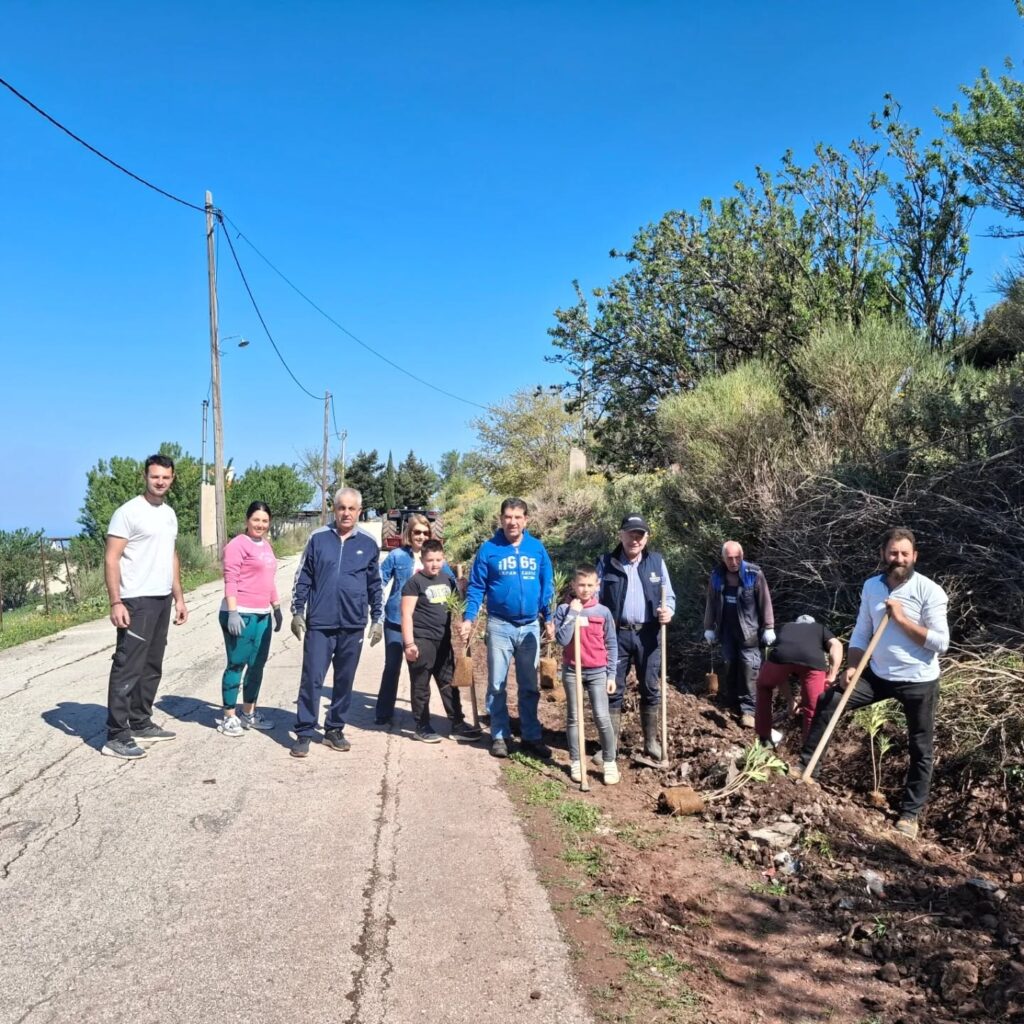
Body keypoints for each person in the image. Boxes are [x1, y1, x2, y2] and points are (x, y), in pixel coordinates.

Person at [796, 528, 949, 840]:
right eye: (894, 552)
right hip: (877, 674)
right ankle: (806, 769)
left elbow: (941, 643)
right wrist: (852, 666)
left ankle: (910, 814)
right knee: (831, 701)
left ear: (915, 556)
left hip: (918, 680)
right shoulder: (872, 587)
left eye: (905, 553)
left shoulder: (930, 592)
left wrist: (903, 620)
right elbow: (862, 632)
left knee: (921, 746)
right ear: (883, 554)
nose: (899, 559)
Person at [102, 454, 188, 759]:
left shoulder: (169, 514)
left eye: (165, 477)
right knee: (128, 666)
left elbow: (171, 556)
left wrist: (178, 596)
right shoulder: (128, 512)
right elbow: (111, 558)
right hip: (135, 600)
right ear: (145, 477)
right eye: (155, 477)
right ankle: (116, 734)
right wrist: (116, 601)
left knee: (152, 666)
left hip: (162, 598)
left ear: (172, 478)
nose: (160, 482)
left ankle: (140, 721)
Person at [289, 488, 382, 758]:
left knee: (344, 680)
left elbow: (375, 585)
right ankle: (305, 731)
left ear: (359, 512)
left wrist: (377, 618)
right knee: (312, 679)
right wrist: (297, 610)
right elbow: (304, 575)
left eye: (352, 509)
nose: (346, 513)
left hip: (353, 624)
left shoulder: (368, 543)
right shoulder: (318, 538)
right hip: (320, 623)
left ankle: (333, 729)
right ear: (334, 509)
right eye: (341, 508)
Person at [459, 498, 554, 760]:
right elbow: (477, 587)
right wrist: (469, 618)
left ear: (526, 520)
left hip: (530, 627)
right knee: (497, 684)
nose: (513, 522)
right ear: (501, 519)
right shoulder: (489, 550)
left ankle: (532, 736)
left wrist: (549, 616)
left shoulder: (537, 549)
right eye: (508, 517)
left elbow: (547, 585)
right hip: (499, 625)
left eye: (518, 517)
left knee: (529, 686)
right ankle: (500, 735)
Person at [596, 514, 675, 764]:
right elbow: (593, 596)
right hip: (615, 635)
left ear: (646, 538)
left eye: (640, 534)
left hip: (649, 634)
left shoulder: (656, 562)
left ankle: (650, 742)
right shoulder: (605, 563)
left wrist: (668, 611)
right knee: (613, 689)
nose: (635, 539)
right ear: (620, 535)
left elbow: (669, 596)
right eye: (630, 533)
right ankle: (610, 746)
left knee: (650, 687)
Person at [401, 539, 482, 742]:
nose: (434, 564)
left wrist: (462, 588)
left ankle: (457, 724)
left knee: (448, 683)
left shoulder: (447, 579)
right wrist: (409, 644)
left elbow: (458, 606)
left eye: (438, 559)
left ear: (443, 559)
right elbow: (406, 615)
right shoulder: (414, 583)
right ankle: (422, 725)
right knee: (421, 685)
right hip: (422, 640)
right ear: (422, 559)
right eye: (430, 560)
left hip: (444, 640)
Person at [375, 513, 451, 726]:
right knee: (392, 666)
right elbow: (379, 581)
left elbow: (451, 583)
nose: (421, 536)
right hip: (397, 621)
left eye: (425, 532)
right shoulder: (397, 556)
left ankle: (421, 716)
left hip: (422, 627)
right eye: (417, 532)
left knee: (419, 672)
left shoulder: (436, 558)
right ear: (409, 533)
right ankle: (383, 712)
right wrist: (376, 612)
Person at [216, 501, 284, 737]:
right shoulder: (237, 545)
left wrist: (276, 607)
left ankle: (248, 713)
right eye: (256, 520)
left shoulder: (266, 546)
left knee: (257, 666)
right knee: (237, 663)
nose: (260, 525)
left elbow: (269, 580)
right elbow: (231, 579)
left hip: (262, 614)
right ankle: (228, 716)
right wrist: (233, 612)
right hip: (240, 612)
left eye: (265, 521)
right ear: (247, 521)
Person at [555, 566, 619, 785]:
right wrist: (573, 614)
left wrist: (611, 674)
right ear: (573, 585)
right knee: (574, 716)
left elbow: (611, 643)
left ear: (597, 586)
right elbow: (562, 640)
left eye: (590, 585)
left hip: (598, 670)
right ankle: (576, 760)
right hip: (572, 669)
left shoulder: (602, 612)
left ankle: (610, 762)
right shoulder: (564, 610)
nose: (585, 589)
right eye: (581, 585)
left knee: (601, 716)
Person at [703, 541, 775, 729]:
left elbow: (765, 601)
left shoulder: (754, 574)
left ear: (742, 556)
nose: (734, 562)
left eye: (737, 557)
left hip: (749, 632)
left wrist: (769, 626)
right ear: (723, 558)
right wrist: (709, 627)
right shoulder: (717, 576)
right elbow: (711, 602)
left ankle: (749, 711)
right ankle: (733, 704)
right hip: (726, 631)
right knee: (730, 666)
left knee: (749, 669)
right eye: (730, 558)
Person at [755, 614, 843, 746]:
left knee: (764, 686)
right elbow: (837, 646)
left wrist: (790, 701)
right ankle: (808, 753)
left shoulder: (787, 627)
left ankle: (764, 738)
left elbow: (780, 677)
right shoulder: (820, 628)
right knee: (813, 708)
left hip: (782, 657)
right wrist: (832, 675)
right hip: (813, 661)